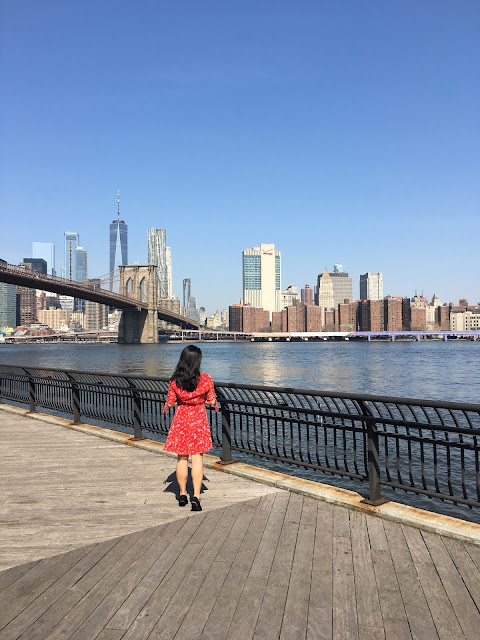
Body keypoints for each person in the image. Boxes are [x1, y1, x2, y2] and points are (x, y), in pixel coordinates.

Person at [163, 345, 217, 511]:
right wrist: (198, 401)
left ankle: (182, 494)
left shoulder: (175, 381)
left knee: (182, 458)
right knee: (197, 459)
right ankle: (196, 497)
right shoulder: (206, 379)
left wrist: (182, 401)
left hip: (181, 420)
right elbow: (211, 401)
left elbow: (171, 403)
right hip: (198, 420)